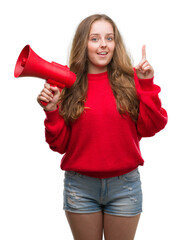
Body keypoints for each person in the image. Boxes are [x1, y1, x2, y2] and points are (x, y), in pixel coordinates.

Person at [37, 14, 167, 240]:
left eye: (109, 38)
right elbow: (59, 145)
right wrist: (51, 111)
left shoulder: (131, 79)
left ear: (116, 44)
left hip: (124, 186)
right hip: (80, 187)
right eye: (94, 38)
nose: (103, 45)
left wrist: (146, 83)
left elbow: (152, 126)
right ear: (83, 44)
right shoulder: (69, 84)